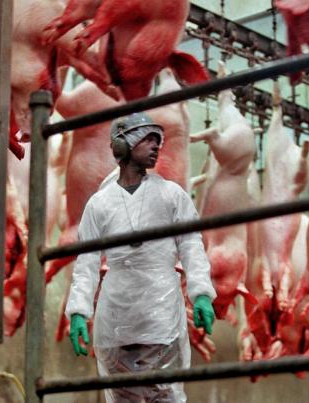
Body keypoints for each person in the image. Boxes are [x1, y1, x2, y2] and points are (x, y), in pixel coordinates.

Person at [65, 111, 216, 402]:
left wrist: (200, 292)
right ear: (123, 146)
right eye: (147, 139)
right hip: (117, 316)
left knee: (166, 393)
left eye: (158, 140)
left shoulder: (172, 195)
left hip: (161, 313)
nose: (156, 146)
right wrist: (79, 311)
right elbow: (87, 261)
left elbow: (191, 244)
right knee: (123, 397)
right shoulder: (99, 204)